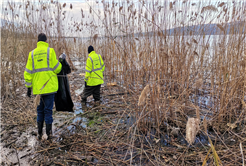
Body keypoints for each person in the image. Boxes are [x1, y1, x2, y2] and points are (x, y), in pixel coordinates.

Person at [24, 33, 64, 140]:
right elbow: (57, 69)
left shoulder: (31, 54)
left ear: (38, 41)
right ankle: (48, 134)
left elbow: (27, 73)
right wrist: (61, 61)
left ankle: (39, 133)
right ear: (46, 41)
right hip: (50, 88)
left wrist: (29, 88)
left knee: (40, 111)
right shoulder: (50, 51)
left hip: (38, 90)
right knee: (48, 111)